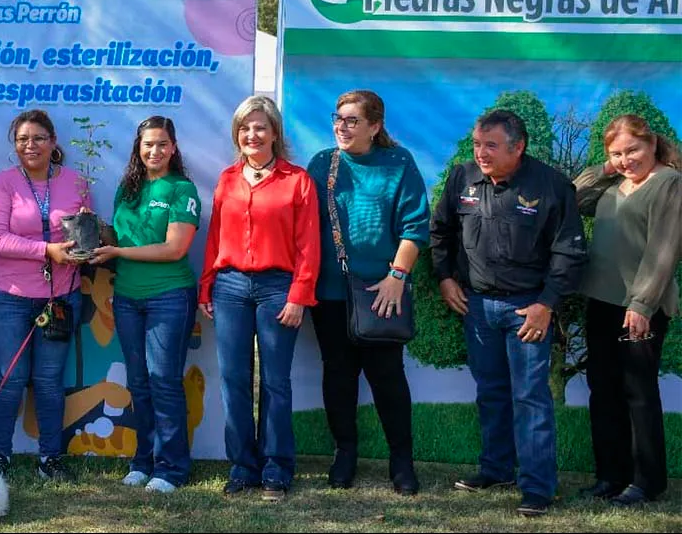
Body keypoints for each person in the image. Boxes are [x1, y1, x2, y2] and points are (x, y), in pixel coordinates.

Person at [430, 109, 587, 518]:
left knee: (531, 399)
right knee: (491, 393)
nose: (481, 153)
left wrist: (546, 303)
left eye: (491, 146)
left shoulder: (551, 185)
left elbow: (569, 250)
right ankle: (497, 470)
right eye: (477, 144)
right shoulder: (462, 178)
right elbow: (440, 231)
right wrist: (446, 278)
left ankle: (538, 488)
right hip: (477, 306)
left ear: (518, 147)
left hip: (528, 309)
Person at [305, 90, 428, 495]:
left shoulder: (399, 162)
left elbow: (414, 226)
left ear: (375, 126)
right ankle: (345, 454)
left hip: (381, 291)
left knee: (387, 377)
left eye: (352, 120)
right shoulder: (323, 163)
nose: (342, 126)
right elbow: (304, 228)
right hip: (329, 291)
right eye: (338, 118)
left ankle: (402, 460)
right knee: (338, 376)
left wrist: (397, 276)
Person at [199, 95, 320, 501]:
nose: (252, 134)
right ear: (237, 134)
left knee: (275, 382)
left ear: (274, 133)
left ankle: (276, 467)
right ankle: (242, 467)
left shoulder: (297, 180)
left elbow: (308, 245)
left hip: (277, 288)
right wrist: (207, 285)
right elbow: (215, 235)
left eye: (260, 127)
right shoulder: (227, 179)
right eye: (245, 128)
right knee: (234, 380)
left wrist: (299, 295)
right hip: (230, 286)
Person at [573, 114, 681, 507]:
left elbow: (664, 251)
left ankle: (646, 481)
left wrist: (642, 305)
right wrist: (605, 168)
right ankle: (610, 476)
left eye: (632, 150)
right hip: (601, 302)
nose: (626, 159)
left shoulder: (669, 183)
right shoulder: (613, 186)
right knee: (603, 391)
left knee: (638, 392)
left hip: (641, 307)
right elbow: (571, 198)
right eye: (616, 153)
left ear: (651, 144)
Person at [89, 116, 201, 493]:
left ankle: (171, 469)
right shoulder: (128, 189)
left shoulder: (182, 189)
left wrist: (118, 249)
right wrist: (95, 232)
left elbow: (175, 248)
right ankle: (144, 461)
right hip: (127, 299)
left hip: (169, 297)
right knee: (139, 383)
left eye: (162, 144)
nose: (155, 151)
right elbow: (118, 239)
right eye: (148, 144)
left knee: (164, 382)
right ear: (138, 148)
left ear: (174, 148)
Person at [0, 109, 88, 481]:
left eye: (39, 138)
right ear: (15, 145)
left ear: (53, 142)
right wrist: (47, 250)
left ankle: (50, 458)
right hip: (7, 297)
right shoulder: (3, 183)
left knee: (48, 380)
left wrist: (87, 241)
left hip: (60, 298)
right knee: (8, 379)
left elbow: (83, 235)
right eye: (23, 139)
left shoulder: (76, 182)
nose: (31, 145)